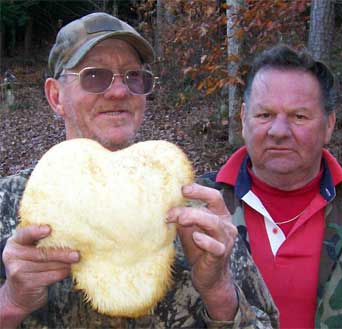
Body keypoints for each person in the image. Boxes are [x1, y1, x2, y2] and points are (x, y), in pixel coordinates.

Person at [0, 12, 278, 328]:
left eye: (134, 77)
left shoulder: (196, 209)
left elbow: (265, 322)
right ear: (55, 96)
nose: (119, 92)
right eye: (94, 76)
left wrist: (218, 291)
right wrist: (10, 303)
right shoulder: (8, 206)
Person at [198, 44, 342, 328]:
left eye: (299, 116)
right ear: (243, 118)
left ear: (329, 124)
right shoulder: (198, 207)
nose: (279, 131)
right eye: (264, 114)